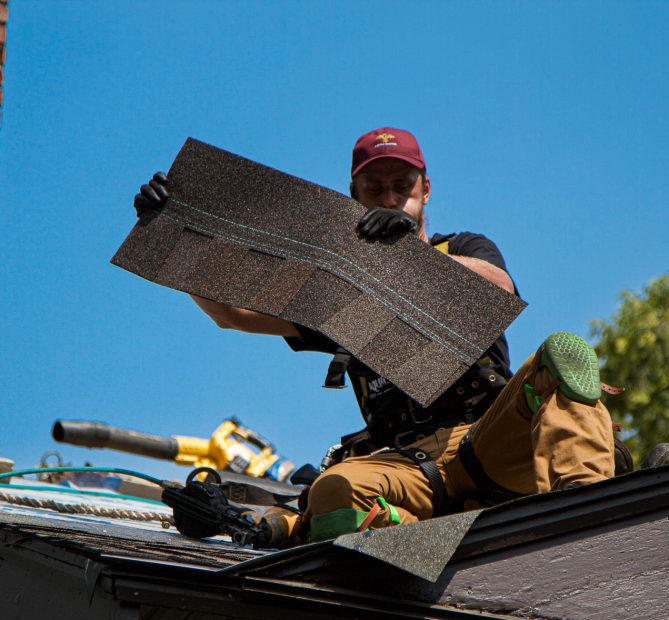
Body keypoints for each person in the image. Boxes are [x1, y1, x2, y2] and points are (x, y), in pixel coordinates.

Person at [134, 127, 615, 542]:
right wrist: (172, 230)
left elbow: (498, 288)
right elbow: (232, 313)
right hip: (408, 466)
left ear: (425, 190)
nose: (390, 200)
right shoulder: (337, 294)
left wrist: (409, 255)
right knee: (331, 492)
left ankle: (586, 511)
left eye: (402, 188)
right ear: (352, 196)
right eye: (375, 189)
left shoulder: (463, 247)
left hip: (490, 439)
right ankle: (428, 535)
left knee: (563, 356)